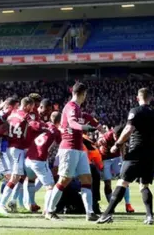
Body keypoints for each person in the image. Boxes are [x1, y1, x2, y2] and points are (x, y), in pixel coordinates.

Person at [97, 88, 154, 225]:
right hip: (151, 154)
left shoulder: (135, 111)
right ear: (150, 98)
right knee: (144, 185)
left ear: (137, 98)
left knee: (123, 182)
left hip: (136, 152)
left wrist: (118, 143)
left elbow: (128, 129)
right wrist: (150, 141)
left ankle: (106, 214)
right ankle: (150, 216)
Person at [45, 82, 99, 221]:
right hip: (69, 148)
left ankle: (90, 213)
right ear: (82, 94)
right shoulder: (71, 107)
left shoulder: (78, 108)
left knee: (87, 179)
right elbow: (73, 123)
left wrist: (92, 127)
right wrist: (85, 128)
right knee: (64, 179)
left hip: (79, 148)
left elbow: (79, 121)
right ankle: (50, 211)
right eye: (85, 94)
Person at [0, 97, 35, 213]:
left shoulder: (12, 112)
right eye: (32, 107)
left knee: (17, 176)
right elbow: (34, 126)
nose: (32, 109)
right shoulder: (26, 115)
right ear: (27, 105)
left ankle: (10, 201)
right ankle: (1, 203)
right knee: (15, 177)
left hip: (9, 147)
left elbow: (0, 120)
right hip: (17, 148)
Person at [26, 111, 62, 215]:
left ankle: (31, 204)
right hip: (39, 160)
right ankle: (46, 210)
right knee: (50, 186)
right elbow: (60, 142)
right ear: (60, 121)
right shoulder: (56, 131)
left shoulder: (44, 124)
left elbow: (34, 125)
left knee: (31, 180)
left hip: (28, 158)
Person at [97, 124, 135, 213]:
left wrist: (123, 160)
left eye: (117, 136)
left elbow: (122, 148)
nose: (115, 138)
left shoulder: (124, 136)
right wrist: (99, 142)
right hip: (105, 159)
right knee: (107, 183)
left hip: (117, 158)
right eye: (114, 135)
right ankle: (111, 205)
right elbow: (98, 144)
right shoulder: (106, 136)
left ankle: (128, 204)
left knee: (124, 180)